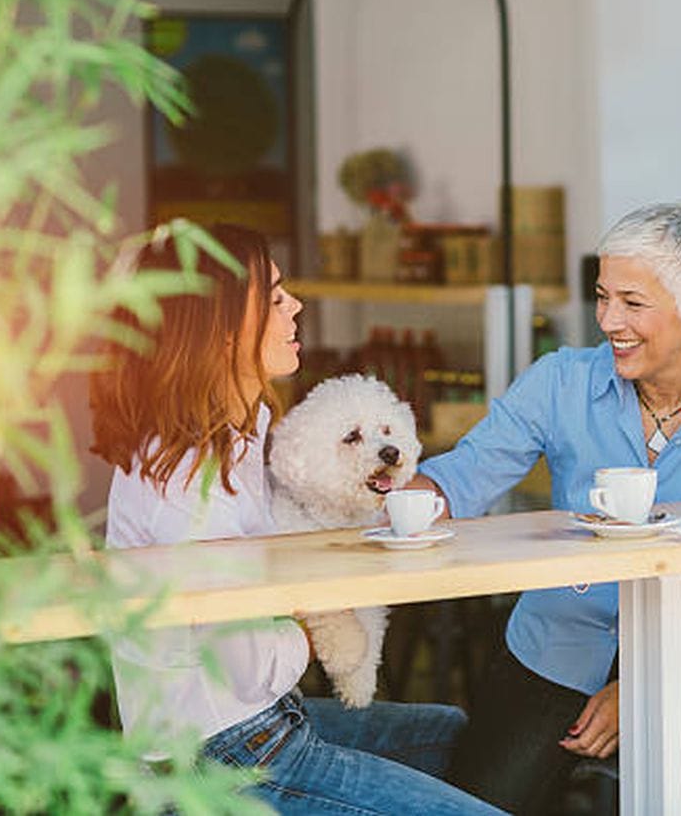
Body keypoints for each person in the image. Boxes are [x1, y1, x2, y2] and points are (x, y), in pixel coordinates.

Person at [90, 223, 503, 816]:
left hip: (259, 723)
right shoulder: (189, 478)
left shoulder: (236, 431)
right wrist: (317, 630)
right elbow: (246, 661)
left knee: (453, 733)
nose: (297, 306)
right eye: (276, 296)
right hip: (218, 755)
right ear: (225, 329)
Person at [408, 203, 681, 815]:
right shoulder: (559, 382)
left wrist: (643, 684)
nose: (608, 320)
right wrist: (403, 498)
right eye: (602, 296)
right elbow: (468, 474)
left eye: (632, 303)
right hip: (552, 649)